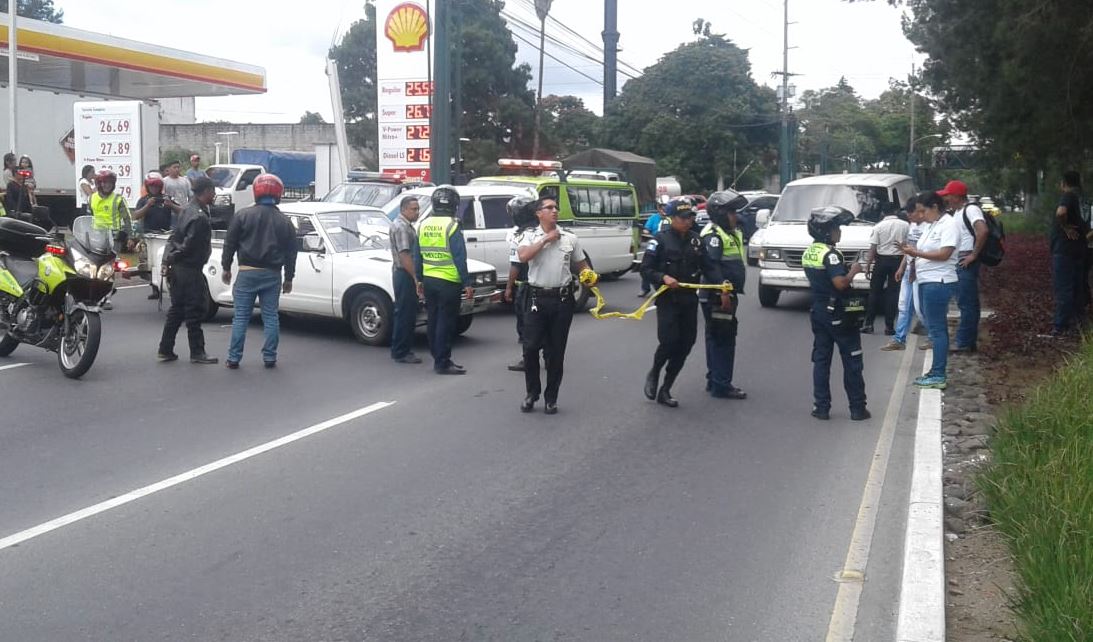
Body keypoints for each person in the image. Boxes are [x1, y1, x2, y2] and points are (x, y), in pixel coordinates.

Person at [517, 196, 596, 414]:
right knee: (530, 347)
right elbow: (523, 256)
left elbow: (581, 264)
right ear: (538, 213)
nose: (554, 211)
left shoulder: (569, 238)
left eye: (556, 208)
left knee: (555, 351)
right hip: (536, 298)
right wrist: (545, 240)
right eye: (549, 208)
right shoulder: (529, 236)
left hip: (562, 299)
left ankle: (551, 398)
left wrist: (588, 274)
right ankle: (532, 393)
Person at [641, 197, 715, 408]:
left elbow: (709, 267)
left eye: (690, 217)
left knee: (686, 344)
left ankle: (666, 388)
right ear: (672, 218)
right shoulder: (660, 239)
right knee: (669, 341)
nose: (687, 221)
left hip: (689, 300)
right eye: (683, 218)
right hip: (668, 300)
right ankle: (655, 372)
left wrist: (722, 284)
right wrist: (663, 277)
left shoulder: (696, 240)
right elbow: (646, 269)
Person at [221, 174, 297, 369]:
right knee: (271, 316)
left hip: (247, 272)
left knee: (241, 317)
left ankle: (234, 358)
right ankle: (270, 357)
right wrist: (289, 278)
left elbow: (230, 243)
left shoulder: (242, 215)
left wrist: (226, 267)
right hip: (272, 274)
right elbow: (291, 253)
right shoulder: (284, 221)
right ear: (278, 194)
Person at [802, 206, 870, 421]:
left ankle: (821, 407)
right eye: (835, 228)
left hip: (819, 309)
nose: (839, 232)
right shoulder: (830, 255)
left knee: (821, 360)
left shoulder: (810, 251)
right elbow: (840, 283)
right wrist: (853, 270)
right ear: (825, 231)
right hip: (838, 312)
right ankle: (857, 408)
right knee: (852, 360)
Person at [902, 191, 959, 389]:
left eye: (923, 211)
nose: (920, 215)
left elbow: (944, 253)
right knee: (934, 329)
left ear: (935, 207)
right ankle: (936, 371)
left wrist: (915, 252)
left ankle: (938, 373)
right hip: (928, 280)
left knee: (937, 329)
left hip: (938, 281)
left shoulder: (949, 224)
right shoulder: (932, 224)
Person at [157, 176, 217, 365]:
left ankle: (165, 349)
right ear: (206, 192)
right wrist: (175, 256)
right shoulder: (199, 216)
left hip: (179, 268)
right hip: (190, 269)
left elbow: (174, 237)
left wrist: (168, 260)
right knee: (194, 310)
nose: (214, 195)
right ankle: (197, 352)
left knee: (177, 310)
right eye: (213, 191)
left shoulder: (186, 210)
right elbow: (189, 245)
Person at [415, 186, 474, 375]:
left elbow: (417, 255)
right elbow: (459, 257)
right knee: (446, 323)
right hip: (449, 281)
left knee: (433, 319)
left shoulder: (422, 224)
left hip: (430, 280)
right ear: (454, 205)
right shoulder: (452, 225)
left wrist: (419, 279)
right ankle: (443, 361)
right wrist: (467, 283)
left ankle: (437, 356)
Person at [700, 189, 750, 399]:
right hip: (718, 296)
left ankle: (714, 379)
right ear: (720, 213)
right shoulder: (713, 236)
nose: (735, 216)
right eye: (730, 212)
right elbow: (712, 267)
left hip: (722, 293)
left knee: (715, 336)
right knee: (724, 339)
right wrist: (724, 293)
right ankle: (722, 384)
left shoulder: (729, 232)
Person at [937, 180, 987, 352]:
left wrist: (973, 254)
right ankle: (966, 341)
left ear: (957, 196)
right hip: (961, 259)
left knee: (967, 304)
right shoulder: (957, 212)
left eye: (949, 195)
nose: (947, 199)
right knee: (965, 303)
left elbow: (983, 230)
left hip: (966, 260)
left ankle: (965, 343)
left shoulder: (971, 209)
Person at [882, 196, 927, 351]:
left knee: (920, 309)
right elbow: (908, 249)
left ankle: (934, 336)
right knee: (903, 306)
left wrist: (913, 268)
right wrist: (902, 267)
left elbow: (920, 251)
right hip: (909, 269)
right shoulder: (912, 226)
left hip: (920, 271)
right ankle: (899, 339)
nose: (908, 215)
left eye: (911, 212)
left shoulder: (928, 227)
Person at [1050, 171, 1089, 336]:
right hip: (1079, 248)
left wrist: (1064, 227)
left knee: (1064, 288)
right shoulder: (1082, 199)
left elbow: (1061, 212)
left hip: (1064, 249)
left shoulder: (1068, 195)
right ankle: (1079, 324)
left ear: (1063, 182)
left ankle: (1060, 326)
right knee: (1077, 287)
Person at [863, 201, 910, 335]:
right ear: (896, 211)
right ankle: (889, 327)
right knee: (893, 294)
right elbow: (908, 245)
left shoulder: (878, 226)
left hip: (881, 261)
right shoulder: (906, 225)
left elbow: (872, 248)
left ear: (883, 213)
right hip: (898, 262)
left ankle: (869, 324)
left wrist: (867, 266)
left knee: (874, 292)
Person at [133, 172, 182, 300]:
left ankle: (168, 284)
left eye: (156, 186)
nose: (154, 189)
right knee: (149, 262)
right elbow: (136, 215)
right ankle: (154, 287)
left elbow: (183, 210)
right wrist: (148, 205)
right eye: (152, 186)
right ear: (148, 187)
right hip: (148, 235)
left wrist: (171, 205)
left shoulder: (167, 198)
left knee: (164, 260)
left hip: (164, 235)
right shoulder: (143, 200)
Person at [503, 195, 538, 372]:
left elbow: (516, 265)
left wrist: (509, 287)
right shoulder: (542, 232)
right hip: (542, 286)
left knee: (526, 327)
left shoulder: (520, 236)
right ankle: (547, 356)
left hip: (525, 286)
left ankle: (528, 360)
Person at [389, 195, 423, 364]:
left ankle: (400, 349)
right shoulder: (402, 227)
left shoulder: (404, 225)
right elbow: (405, 255)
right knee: (405, 313)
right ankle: (402, 351)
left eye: (418, 209)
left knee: (405, 312)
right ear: (403, 210)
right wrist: (416, 278)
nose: (417, 212)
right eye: (414, 209)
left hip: (403, 273)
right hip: (404, 274)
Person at [89, 169, 132, 254]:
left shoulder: (118, 199)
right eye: (104, 182)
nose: (107, 185)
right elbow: (89, 216)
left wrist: (130, 237)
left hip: (114, 237)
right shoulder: (91, 198)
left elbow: (127, 219)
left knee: (112, 260)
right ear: (98, 184)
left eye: (110, 183)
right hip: (97, 235)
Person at [639, 201, 668, 296]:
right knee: (647, 266)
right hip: (655, 244)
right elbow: (646, 229)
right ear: (659, 208)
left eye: (666, 207)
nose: (664, 209)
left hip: (668, 245)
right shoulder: (653, 218)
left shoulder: (672, 218)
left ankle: (662, 288)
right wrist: (647, 232)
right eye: (662, 207)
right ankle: (645, 288)